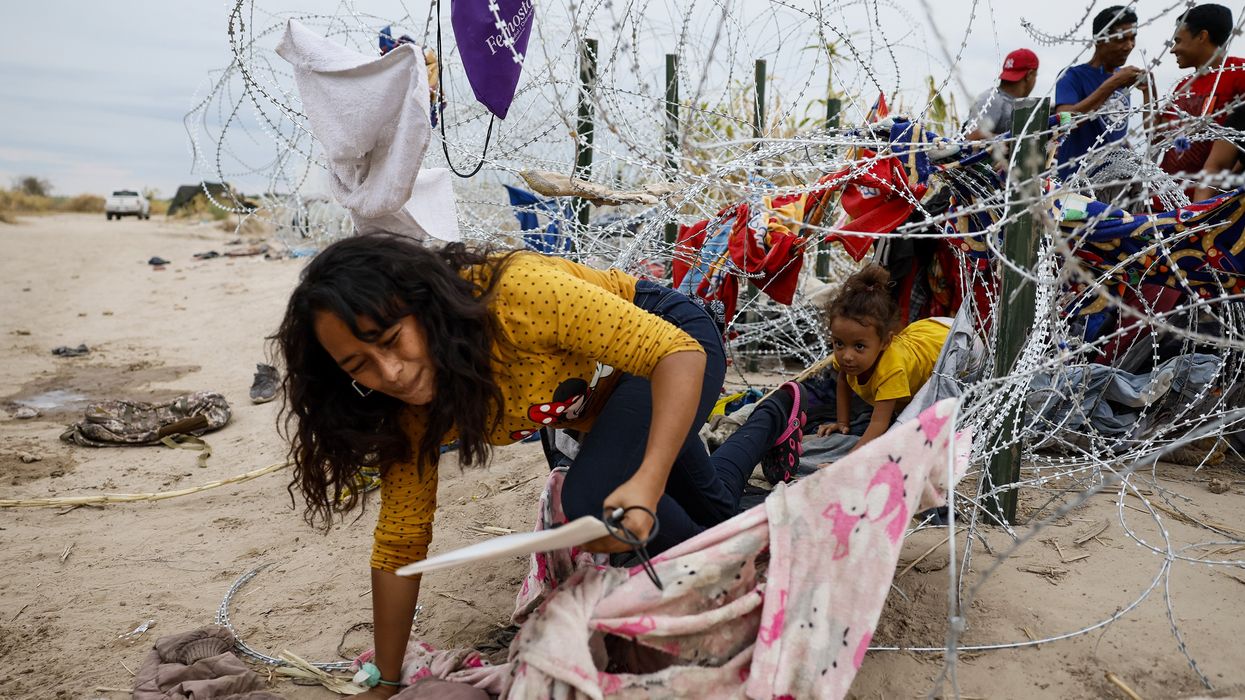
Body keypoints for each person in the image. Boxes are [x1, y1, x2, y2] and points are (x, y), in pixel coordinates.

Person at [275, 233, 805, 697]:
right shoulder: (404, 411)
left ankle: (755, 577)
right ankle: (775, 417)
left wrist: (646, 480)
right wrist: (388, 680)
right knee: (713, 511)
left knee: (595, 501)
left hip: (669, 347)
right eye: (358, 366)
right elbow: (400, 542)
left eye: (391, 341)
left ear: (424, 305)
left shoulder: (515, 297)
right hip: (615, 411)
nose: (389, 371)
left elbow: (676, 353)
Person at [811, 264, 950, 452]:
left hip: (949, 344)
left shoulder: (892, 369)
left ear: (885, 342)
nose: (847, 356)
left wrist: (847, 461)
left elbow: (879, 424)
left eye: (859, 346)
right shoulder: (847, 358)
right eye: (839, 343)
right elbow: (843, 379)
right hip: (925, 336)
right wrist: (842, 423)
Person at [1053, 6, 1151, 180]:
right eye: (1121, 39)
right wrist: (1113, 83)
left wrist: (1149, 91)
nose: (1129, 46)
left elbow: (1116, 133)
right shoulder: (1072, 75)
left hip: (1114, 183)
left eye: (1132, 38)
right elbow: (1064, 122)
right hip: (1076, 182)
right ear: (1099, 39)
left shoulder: (1123, 78)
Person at [1160, 4, 1245, 179]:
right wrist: (1148, 91)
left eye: (1178, 41)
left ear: (1202, 36)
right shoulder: (1183, 85)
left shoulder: (1238, 73)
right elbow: (1158, 137)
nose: (1172, 49)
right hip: (1165, 197)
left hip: (1209, 201)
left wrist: (1225, 184)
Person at [965, 48, 1040, 141]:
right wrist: (1012, 141)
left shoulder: (1018, 104)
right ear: (1029, 75)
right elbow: (972, 136)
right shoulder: (991, 99)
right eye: (1036, 75)